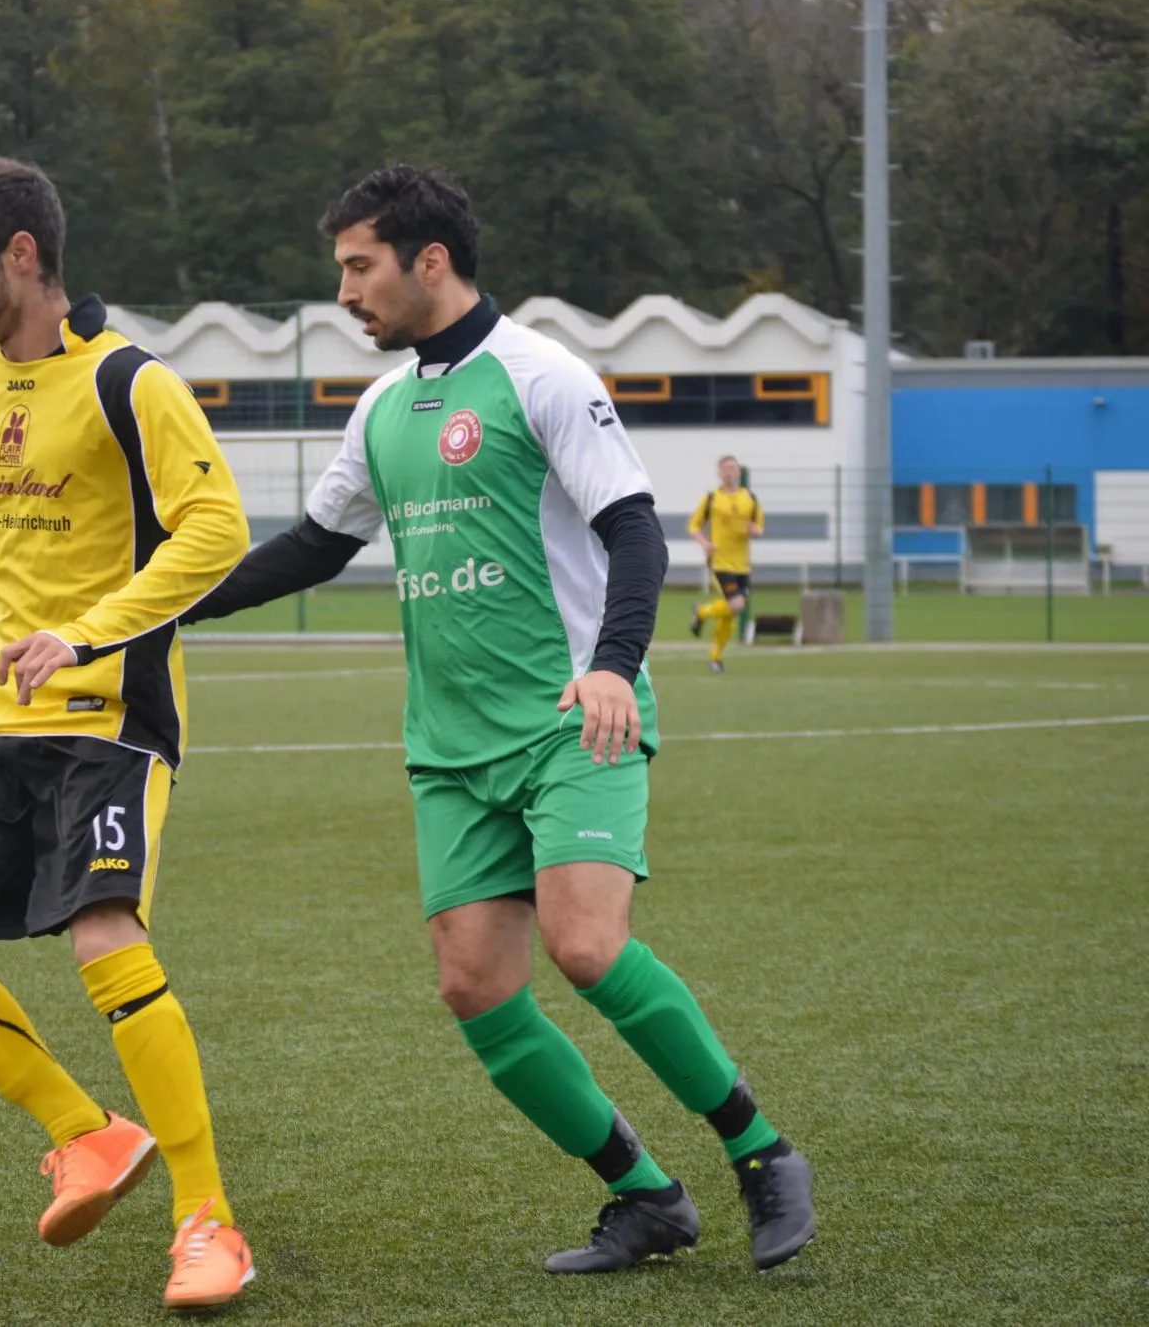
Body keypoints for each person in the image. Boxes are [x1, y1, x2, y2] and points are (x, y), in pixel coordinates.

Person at [182, 165, 815, 1274]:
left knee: (585, 946)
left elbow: (634, 528)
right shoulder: (381, 408)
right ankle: (645, 1197)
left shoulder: (541, 375)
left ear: (429, 260)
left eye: (359, 267)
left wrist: (613, 665)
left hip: (571, 720)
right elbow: (315, 545)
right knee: (474, 986)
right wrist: (160, 608)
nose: (345, 293)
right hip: (449, 746)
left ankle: (760, 1151)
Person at [0, 156, 255, 1311]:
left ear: (19, 253)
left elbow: (216, 531)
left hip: (112, 715)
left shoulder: (131, 382)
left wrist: (83, 636)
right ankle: (88, 1132)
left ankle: (206, 1219)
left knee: (100, 932)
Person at [687, 455, 764, 673]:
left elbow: (759, 528)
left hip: (743, 565)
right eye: (725, 468)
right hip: (720, 563)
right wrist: (705, 544)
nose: (729, 472)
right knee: (736, 605)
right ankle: (702, 613)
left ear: (738, 472)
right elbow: (694, 526)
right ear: (719, 473)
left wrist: (754, 531)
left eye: (733, 468)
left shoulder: (750, 499)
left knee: (730, 613)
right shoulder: (712, 498)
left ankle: (716, 656)